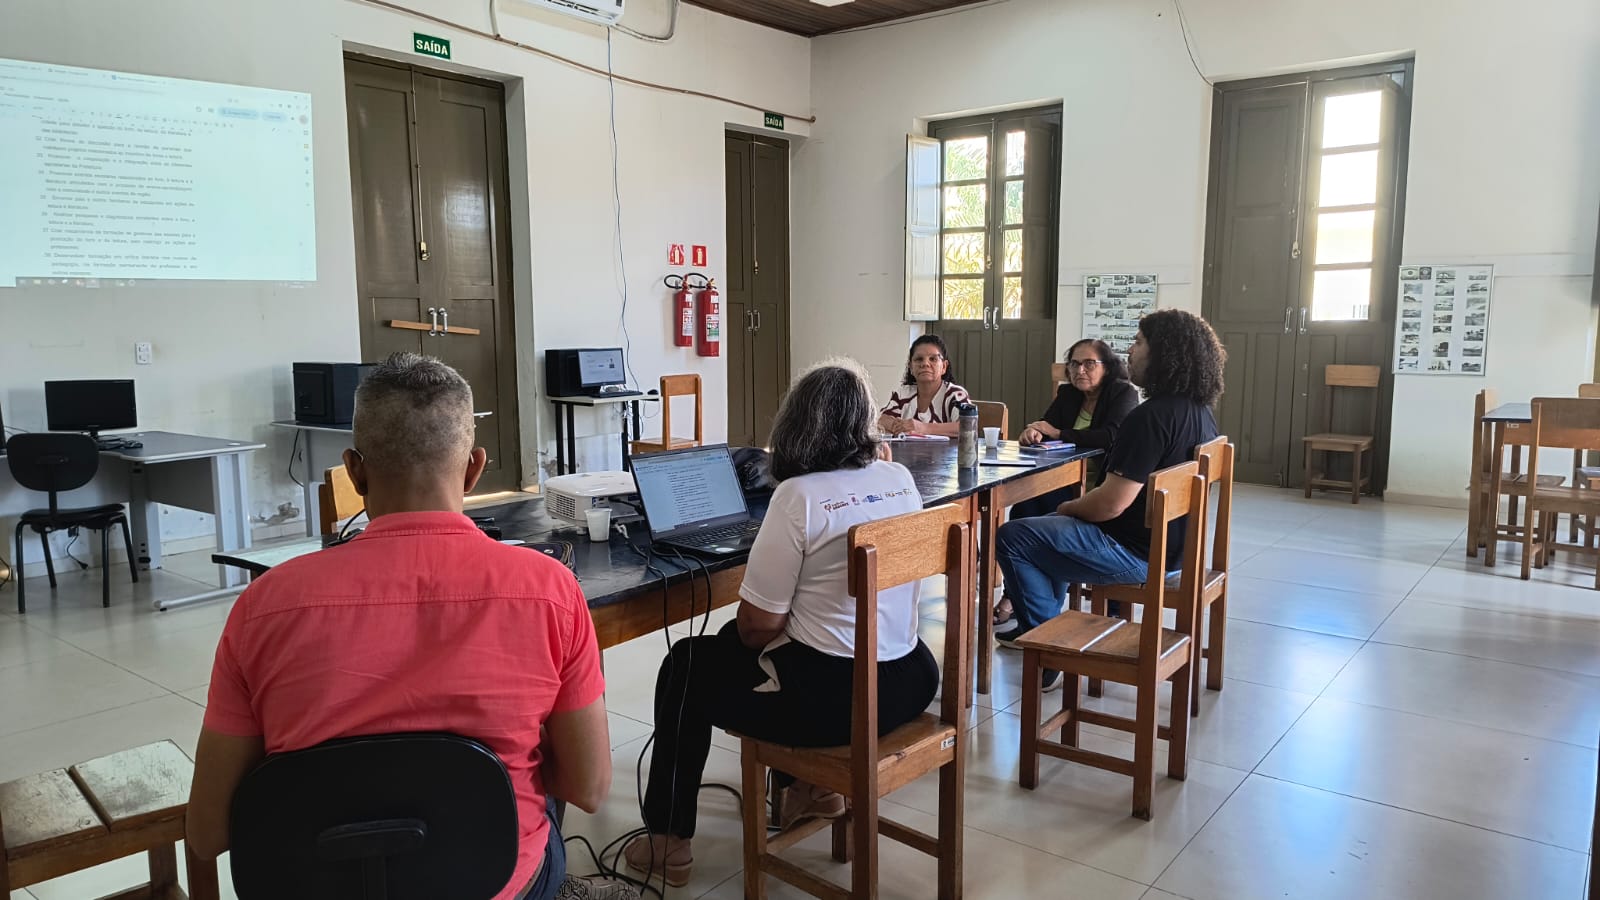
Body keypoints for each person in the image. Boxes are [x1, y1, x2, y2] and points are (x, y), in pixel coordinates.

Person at [187, 353, 634, 900]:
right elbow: (589, 786)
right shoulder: (550, 591)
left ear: (354, 471)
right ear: (474, 469)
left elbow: (207, 832)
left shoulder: (264, 605)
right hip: (496, 883)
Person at [624, 360, 939, 886]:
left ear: (798, 422)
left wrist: (776, 615)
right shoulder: (898, 478)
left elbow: (757, 628)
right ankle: (809, 789)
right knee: (774, 648)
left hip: (842, 704)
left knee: (687, 665)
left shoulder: (798, 496)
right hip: (911, 679)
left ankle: (667, 841)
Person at [994, 310, 1224, 684]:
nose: (1130, 350)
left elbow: (1109, 504)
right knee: (1043, 536)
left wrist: (1067, 507)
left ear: (1164, 352)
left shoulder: (1149, 418)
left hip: (1135, 553)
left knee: (1014, 537)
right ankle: (1049, 632)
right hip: (1176, 551)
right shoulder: (1201, 413)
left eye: (1139, 342)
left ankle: (1050, 646)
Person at [995, 338, 1140, 632]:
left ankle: (1046, 618)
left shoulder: (1123, 393)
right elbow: (1047, 426)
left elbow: (1112, 436)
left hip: (1104, 486)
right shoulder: (1068, 394)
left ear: (1107, 367)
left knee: (1042, 518)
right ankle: (1025, 601)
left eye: (1089, 364)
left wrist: (1060, 433)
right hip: (1066, 479)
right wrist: (1033, 432)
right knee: (1026, 506)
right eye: (1074, 363)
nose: (1079, 370)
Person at [877, 335, 971, 437]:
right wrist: (896, 426)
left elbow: (967, 426)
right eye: (919, 359)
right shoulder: (903, 394)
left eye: (933, 359)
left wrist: (922, 428)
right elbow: (879, 419)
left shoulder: (955, 394)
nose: (925, 364)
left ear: (944, 367)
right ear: (911, 367)